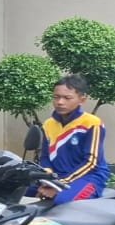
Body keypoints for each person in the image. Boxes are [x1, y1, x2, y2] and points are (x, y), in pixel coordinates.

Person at [38, 75, 109, 204]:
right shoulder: (48, 124)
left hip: (89, 176)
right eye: (56, 97)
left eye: (67, 98)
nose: (60, 102)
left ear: (82, 100)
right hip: (58, 176)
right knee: (13, 188)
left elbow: (91, 162)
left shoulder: (91, 123)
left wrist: (59, 185)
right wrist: (47, 179)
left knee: (62, 201)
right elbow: (45, 157)